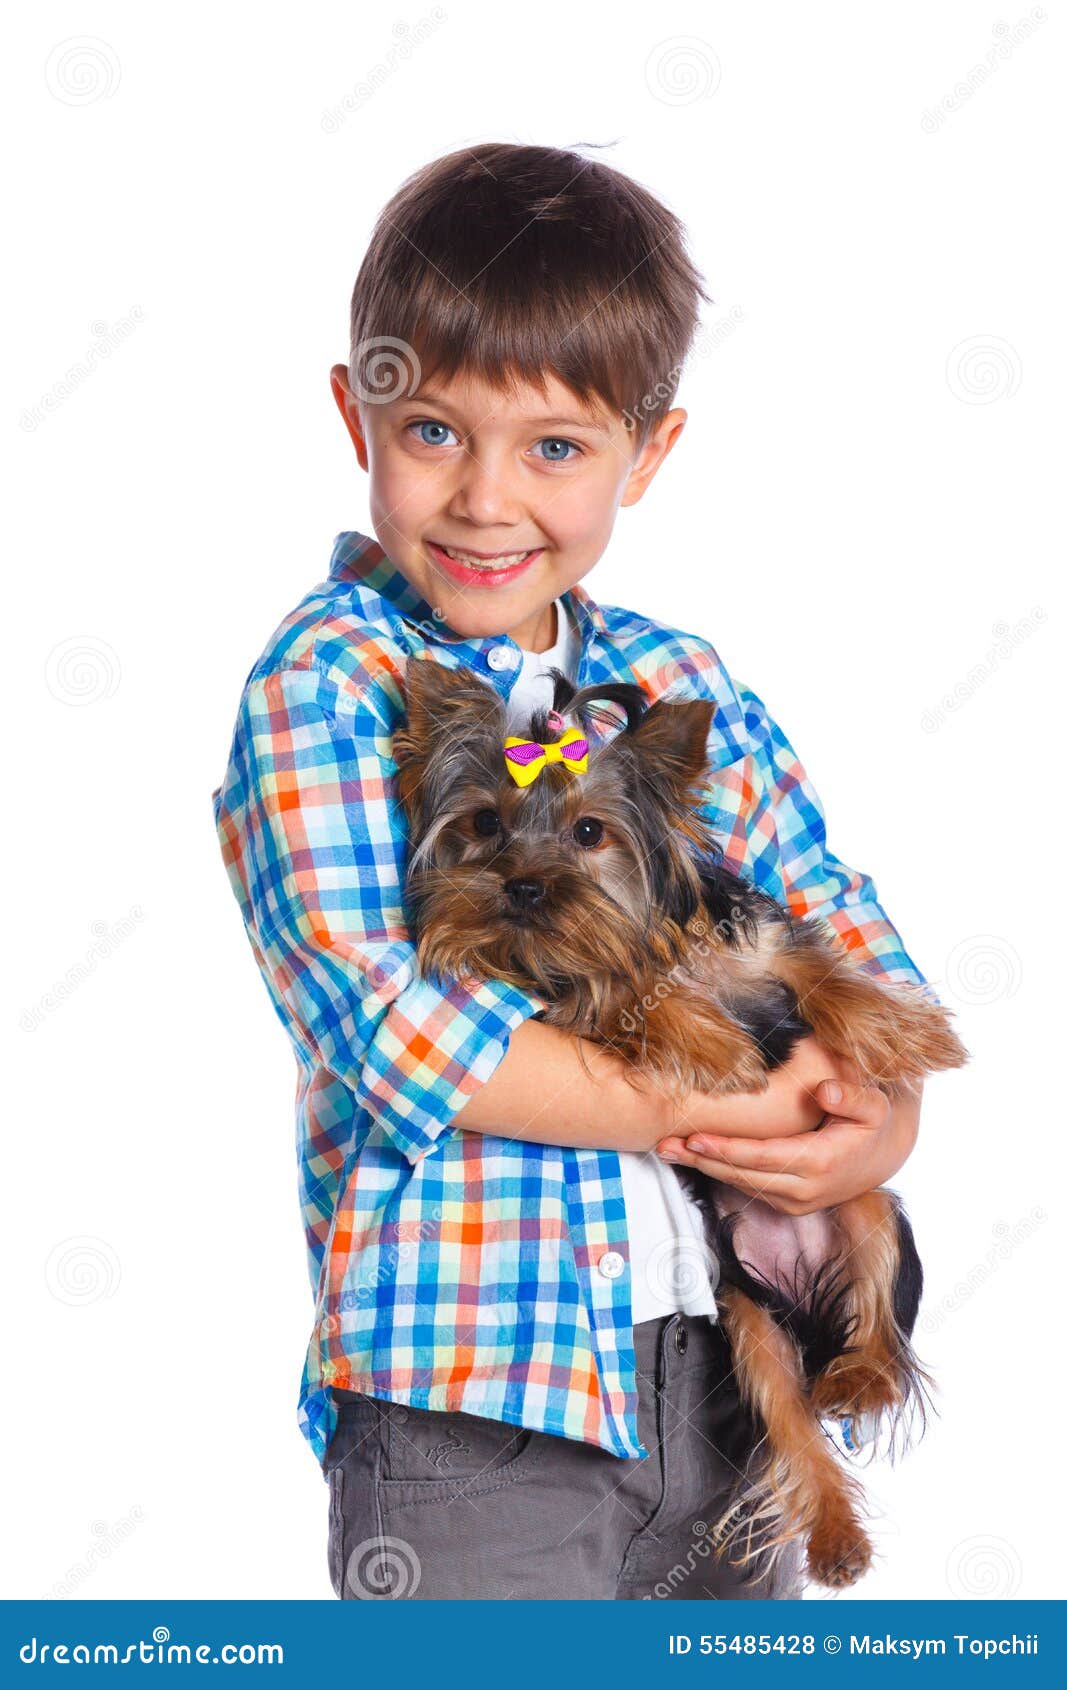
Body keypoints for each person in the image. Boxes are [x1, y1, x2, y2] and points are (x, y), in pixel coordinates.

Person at [213, 143, 927, 1601]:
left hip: (723, 1387)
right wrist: (716, 1102)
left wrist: (873, 1132)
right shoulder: (331, 681)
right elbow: (393, 1025)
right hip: (478, 1401)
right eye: (432, 434)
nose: (486, 498)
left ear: (646, 454)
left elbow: (845, 927)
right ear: (355, 414)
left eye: (553, 447)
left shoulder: (676, 678)